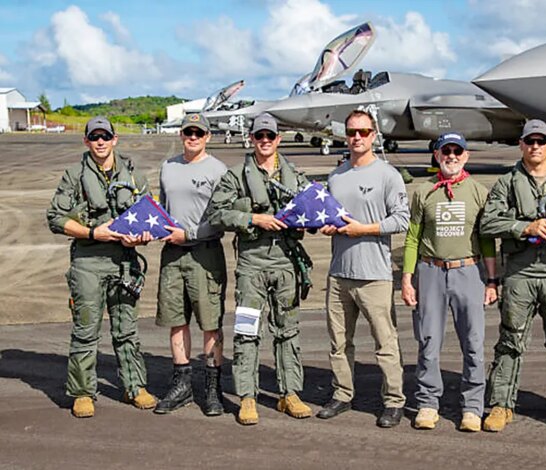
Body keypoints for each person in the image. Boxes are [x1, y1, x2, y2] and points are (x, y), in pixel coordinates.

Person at [480, 119, 546, 436]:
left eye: (541, 141)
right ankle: (502, 405)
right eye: (530, 141)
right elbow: (488, 223)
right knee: (510, 342)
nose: (535, 147)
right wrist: (524, 228)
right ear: (521, 144)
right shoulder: (507, 183)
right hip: (520, 275)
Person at [46, 116, 156, 418]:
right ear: (86, 141)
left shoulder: (133, 175)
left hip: (124, 262)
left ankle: (135, 386)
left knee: (127, 330)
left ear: (115, 139)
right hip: (88, 262)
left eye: (105, 136)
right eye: (94, 137)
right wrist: (93, 232)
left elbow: (149, 217)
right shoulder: (74, 176)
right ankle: (83, 392)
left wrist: (141, 239)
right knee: (85, 329)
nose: (100, 142)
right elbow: (55, 218)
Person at [206, 113, 313, 425]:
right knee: (248, 330)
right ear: (251, 139)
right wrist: (254, 219)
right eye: (259, 136)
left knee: (288, 330)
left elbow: (315, 207)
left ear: (278, 139)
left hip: (286, 262)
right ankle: (248, 397)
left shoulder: (294, 174)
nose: (264, 141)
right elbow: (216, 213)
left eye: (270, 136)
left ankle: (289, 393)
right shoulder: (235, 175)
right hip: (252, 262)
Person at [316, 109, 410, 428]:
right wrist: (327, 226)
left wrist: (364, 229)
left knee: (385, 343)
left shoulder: (388, 175)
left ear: (373, 135)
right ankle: (342, 394)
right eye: (352, 132)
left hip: (375, 275)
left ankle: (394, 401)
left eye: (363, 132)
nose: (357, 137)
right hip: (339, 272)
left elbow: (401, 219)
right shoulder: (336, 175)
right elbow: (333, 218)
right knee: (339, 342)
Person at [401, 132, 498, 432]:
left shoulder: (479, 192)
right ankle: (428, 402)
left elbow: (486, 241)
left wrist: (492, 280)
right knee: (428, 341)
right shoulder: (423, 191)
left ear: (466, 155)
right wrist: (407, 278)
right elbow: (413, 237)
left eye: (458, 151)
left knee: (473, 342)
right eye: (446, 151)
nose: (452, 156)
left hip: (468, 271)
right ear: (437, 155)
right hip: (431, 271)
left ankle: (472, 407)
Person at [153, 113, 228, 416]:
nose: (193, 137)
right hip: (172, 254)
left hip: (204, 253)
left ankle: (212, 388)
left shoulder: (218, 170)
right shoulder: (168, 167)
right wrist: (157, 229)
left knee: (210, 323)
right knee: (176, 319)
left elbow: (222, 219)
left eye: (199, 132)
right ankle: (181, 383)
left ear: (208, 136)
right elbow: (162, 209)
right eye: (188, 132)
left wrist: (190, 233)